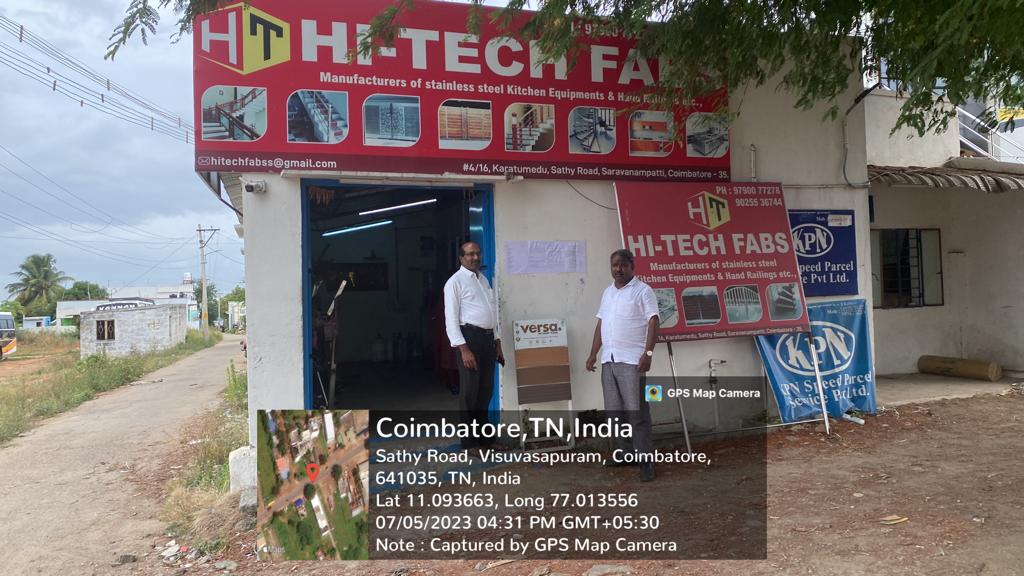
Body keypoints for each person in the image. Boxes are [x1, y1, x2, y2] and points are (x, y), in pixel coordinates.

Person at [586, 249, 659, 482]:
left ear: (631, 267)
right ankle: (626, 453)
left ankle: (646, 460)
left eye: (623, 265)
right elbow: (601, 324)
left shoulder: (643, 291)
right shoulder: (608, 292)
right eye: (614, 265)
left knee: (637, 413)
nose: (618, 269)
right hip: (609, 360)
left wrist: (648, 353)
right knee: (614, 413)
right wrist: (593, 354)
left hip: (632, 361)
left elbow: (654, 321)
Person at [443, 242, 505, 452]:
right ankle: (469, 444)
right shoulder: (455, 282)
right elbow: (451, 320)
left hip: (487, 339)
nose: (475, 257)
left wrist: (497, 342)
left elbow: (492, 313)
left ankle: (485, 440)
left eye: (478, 253)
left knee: (485, 392)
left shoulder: (483, 279)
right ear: (461, 258)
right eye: (470, 254)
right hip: (469, 340)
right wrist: (464, 349)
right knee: (470, 393)